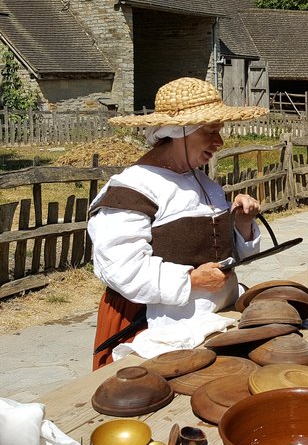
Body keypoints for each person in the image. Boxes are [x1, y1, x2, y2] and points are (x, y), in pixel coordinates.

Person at [88, 77, 268, 369]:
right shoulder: (132, 189)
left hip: (212, 319)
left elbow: (222, 253)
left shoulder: (203, 182)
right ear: (177, 130)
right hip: (155, 327)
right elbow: (121, 269)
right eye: (210, 130)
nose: (219, 141)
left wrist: (243, 224)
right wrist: (191, 280)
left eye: (220, 130)